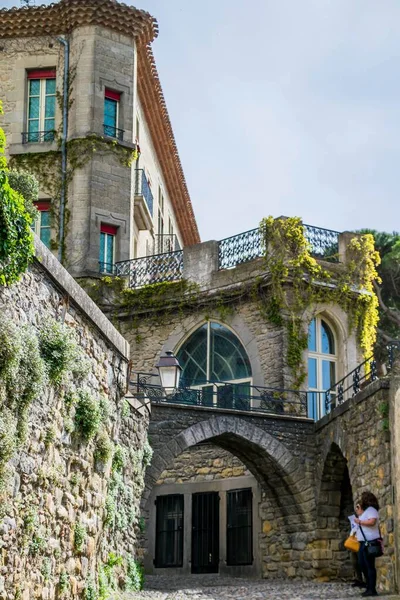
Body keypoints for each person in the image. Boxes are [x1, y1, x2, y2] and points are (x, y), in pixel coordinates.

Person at [354, 491, 380, 597]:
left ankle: (372, 589)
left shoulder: (372, 510)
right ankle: (368, 586)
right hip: (363, 542)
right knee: (362, 563)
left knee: (369, 565)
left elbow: (372, 522)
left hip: (369, 542)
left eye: (362, 498)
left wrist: (360, 522)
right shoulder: (366, 511)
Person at [351, 501, 366, 588]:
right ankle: (359, 579)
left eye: (358, 507)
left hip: (360, 542)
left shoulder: (364, 518)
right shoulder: (356, 519)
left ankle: (366, 581)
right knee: (354, 562)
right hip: (353, 542)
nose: (356, 509)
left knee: (362, 562)